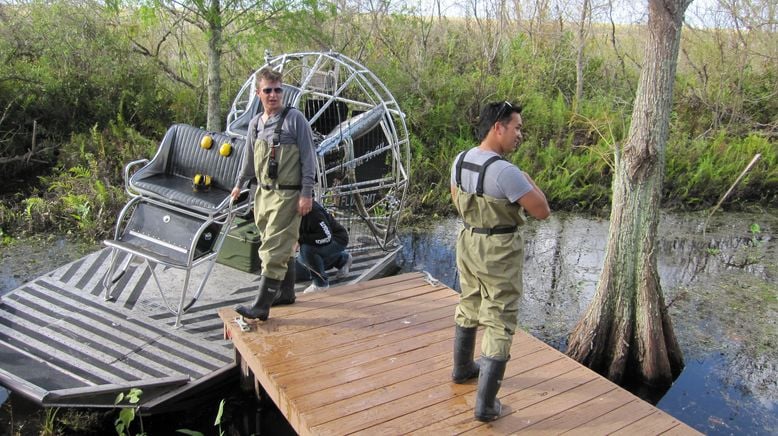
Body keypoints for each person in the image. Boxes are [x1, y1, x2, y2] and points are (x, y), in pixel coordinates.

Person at [449, 101, 550, 422]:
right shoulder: (507, 172)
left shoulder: (460, 160)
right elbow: (541, 211)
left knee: (469, 302)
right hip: (500, 250)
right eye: (517, 127)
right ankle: (486, 405)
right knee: (499, 318)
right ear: (498, 127)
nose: (520, 134)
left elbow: (456, 200)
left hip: (468, 241)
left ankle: (462, 368)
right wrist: (529, 180)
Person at [231, 67, 316, 321]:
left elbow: (309, 158)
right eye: (267, 90)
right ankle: (286, 293)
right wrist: (239, 184)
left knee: (272, 250)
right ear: (258, 93)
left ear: (283, 92)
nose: (273, 95)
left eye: (278, 90)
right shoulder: (256, 123)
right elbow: (248, 157)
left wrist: (307, 193)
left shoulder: (295, 119)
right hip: (263, 195)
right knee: (282, 245)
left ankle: (261, 306)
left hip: (288, 196)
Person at [296, 200, 352, 293]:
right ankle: (342, 259)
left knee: (307, 250)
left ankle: (320, 284)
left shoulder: (314, 212)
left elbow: (327, 236)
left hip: (336, 238)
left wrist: (300, 240)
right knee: (301, 265)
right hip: (319, 238)